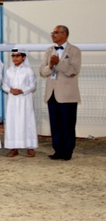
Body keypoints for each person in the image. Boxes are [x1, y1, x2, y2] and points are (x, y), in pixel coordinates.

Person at [39, 25, 81, 161]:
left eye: (56, 33)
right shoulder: (49, 50)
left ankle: (67, 151)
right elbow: (42, 71)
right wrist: (51, 66)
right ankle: (58, 150)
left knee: (67, 124)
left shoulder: (74, 50)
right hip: (52, 93)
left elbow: (73, 70)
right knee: (55, 124)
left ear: (64, 34)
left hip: (67, 94)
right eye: (53, 33)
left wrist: (58, 64)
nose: (53, 35)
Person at [3, 48, 37, 158]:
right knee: (13, 122)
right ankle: (14, 148)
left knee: (27, 121)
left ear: (23, 57)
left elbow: (33, 85)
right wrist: (11, 90)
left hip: (24, 100)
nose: (15, 58)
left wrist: (22, 90)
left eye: (17, 56)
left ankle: (30, 148)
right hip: (12, 100)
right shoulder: (9, 71)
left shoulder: (28, 70)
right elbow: (4, 85)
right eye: (13, 56)